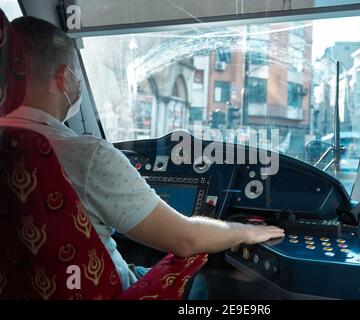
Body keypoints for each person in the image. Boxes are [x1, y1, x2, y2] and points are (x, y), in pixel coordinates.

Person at [0, 16, 285, 291]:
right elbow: (186, 239)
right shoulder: (87, 156)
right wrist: (244, 230)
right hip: (105, 289)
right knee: (202, 280)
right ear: (64, 78)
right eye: (78, 76)